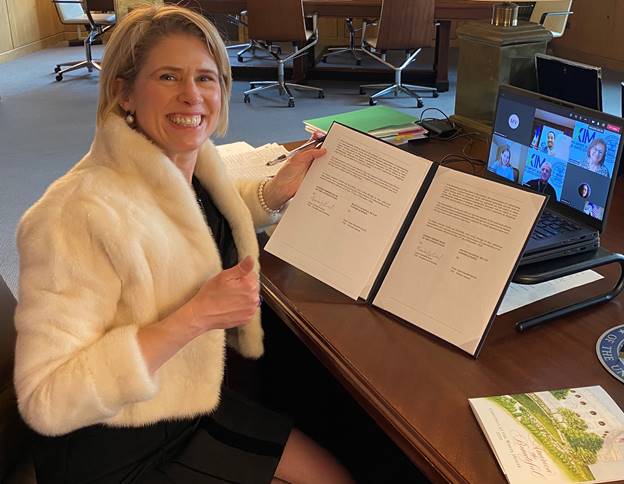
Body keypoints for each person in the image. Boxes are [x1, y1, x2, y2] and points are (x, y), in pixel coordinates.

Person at [13, 6, 354, 484]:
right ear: (124, 92)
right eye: (168, 76)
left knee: (333, 474)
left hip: (184, 399)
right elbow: (47, 399)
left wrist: (272, 192)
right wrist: (194, 317)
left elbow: (193, 220)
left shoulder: (185, 167)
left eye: (206, 78)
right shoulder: (75, 216)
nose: (192, 95)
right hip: (111, 445)